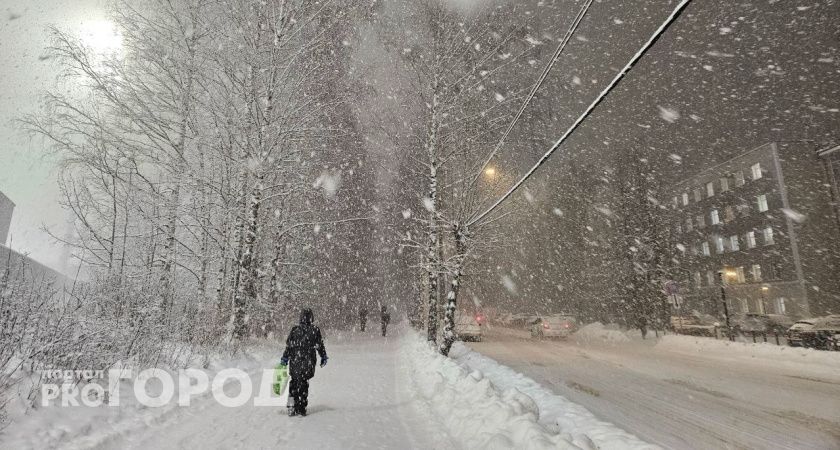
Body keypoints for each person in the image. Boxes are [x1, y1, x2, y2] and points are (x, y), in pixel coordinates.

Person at [280, 308, 327, 417]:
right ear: (311, 318)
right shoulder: (315, 330)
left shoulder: (294, 330)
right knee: (303, 384)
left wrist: (285, 358)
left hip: (295, 362)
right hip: (308, 362)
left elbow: (289, 346)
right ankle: (301, 407)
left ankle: (291, 406)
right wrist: (323, 356)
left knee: (294, 383)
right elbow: (319, 345)